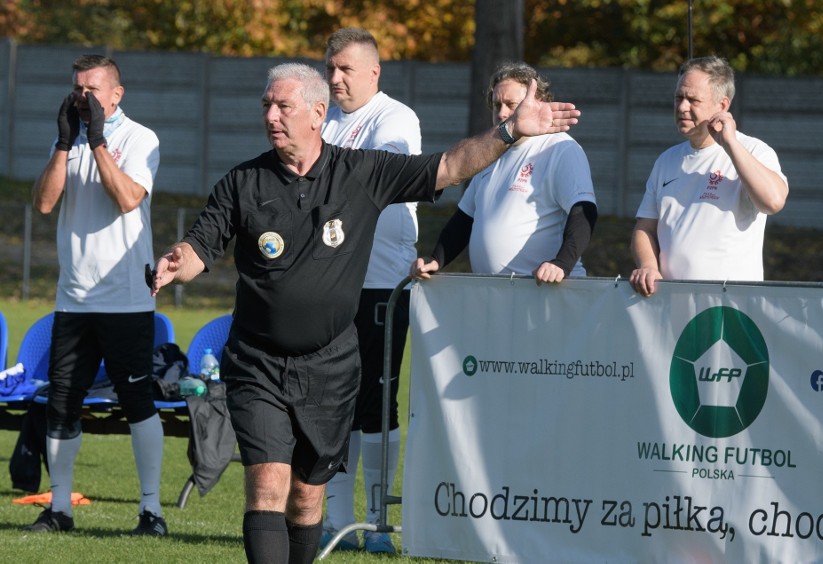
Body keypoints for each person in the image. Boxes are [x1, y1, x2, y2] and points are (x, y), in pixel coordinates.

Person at [149, 62, 580, 564]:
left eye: (283, 106)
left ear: (317, 112)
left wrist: (508, 131)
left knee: (307, 497)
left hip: (330, 367)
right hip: (257, 362)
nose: (271, 115)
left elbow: (449, 166)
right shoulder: (243, 182)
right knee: (267, 483)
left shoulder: (361, 172)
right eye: (266, 105)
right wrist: (177, 262)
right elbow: (200, 244)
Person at [26, 54, 166, 535]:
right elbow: (44, 203)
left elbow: (128, 198)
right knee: (62, 402)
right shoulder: (70, 133)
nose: (81, 97)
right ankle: (60, 508)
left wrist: (99, 138)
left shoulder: (139, 138)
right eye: (76, 88)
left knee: (137, 401)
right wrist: (66, 144)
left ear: (116, 94)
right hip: (74, 299)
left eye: (91, 89)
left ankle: (152, 511)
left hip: (125, 298)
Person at [319, 28, 420, 554]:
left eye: (345, 70)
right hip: (329, 284)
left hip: (381, 284)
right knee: (332, 402)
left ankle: (377, 521)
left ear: (373, 73)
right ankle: (336, 520)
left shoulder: (395, 119)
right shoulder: (325, 117)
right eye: (330, 69)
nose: (334, 79)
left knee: (377, 403)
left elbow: (369, 188)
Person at [410, 62, 597, 284]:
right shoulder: (490, 152)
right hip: (497, 296)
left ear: (538, 103)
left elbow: (584, 211)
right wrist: (436, 259)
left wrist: (561, 264)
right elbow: (465, 218)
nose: (502, 113)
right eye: (496, 105)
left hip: (546, 292)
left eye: (511, 104)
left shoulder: (559, 149)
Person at [629, 56, 788, 297]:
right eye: (678, 97)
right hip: (672, 303)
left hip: (730, 307)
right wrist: (648, 266)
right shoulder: (666, 160)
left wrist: (730, 143)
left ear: (722, 106)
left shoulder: (754, 151)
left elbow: (773, 202)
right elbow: (645, 229)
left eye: (693, 100)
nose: (682, 107)